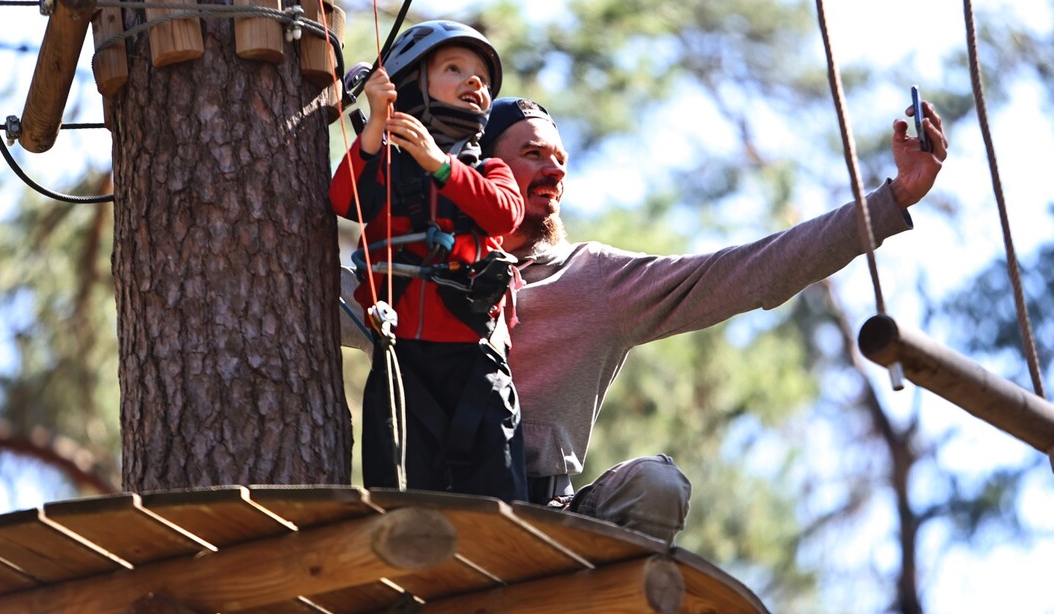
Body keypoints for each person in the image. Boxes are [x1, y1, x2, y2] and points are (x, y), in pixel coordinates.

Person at [340, 95, 948, 542]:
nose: (552, 171)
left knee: (655, 487)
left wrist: (889, 200)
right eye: (530, 155)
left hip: (540, 521)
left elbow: (751, 271)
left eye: (560, 160)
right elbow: (329, 297)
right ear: (481, 166)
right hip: (423, 500)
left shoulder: (593, 280)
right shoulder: (415, 270)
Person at [330, 21, 527, 502]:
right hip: (401, 359)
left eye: (481, 76)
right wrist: (376, 121)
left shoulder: (487, 170)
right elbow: (345, 200)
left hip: (475, 362)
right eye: (454, 69)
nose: (475, 83)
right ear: (411, 81)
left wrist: (440, 163)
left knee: (497, 501)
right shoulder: (383, 165)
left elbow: (505, 211)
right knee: (398, 500)